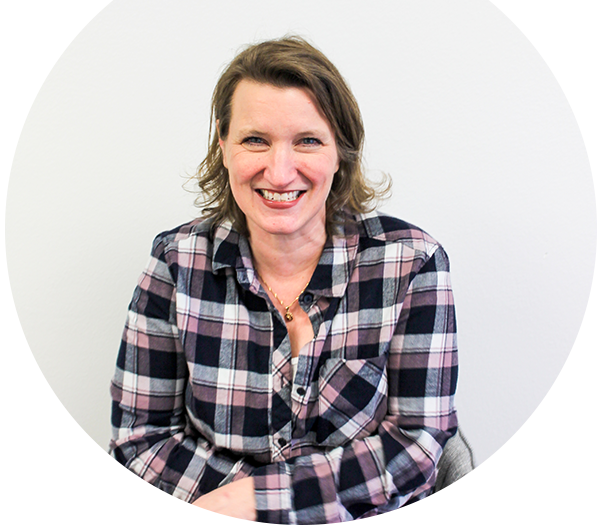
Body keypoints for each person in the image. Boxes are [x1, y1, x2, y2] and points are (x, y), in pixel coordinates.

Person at [110, 36, 459, 525]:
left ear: (341, 152)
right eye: (255, 139)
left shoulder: (411, 264)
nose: (279, 170)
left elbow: (418, 446)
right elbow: (141, 434)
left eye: (307, 141)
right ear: (223, 146)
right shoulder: (175, 263)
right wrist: (242, 507)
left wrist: (262, 504)